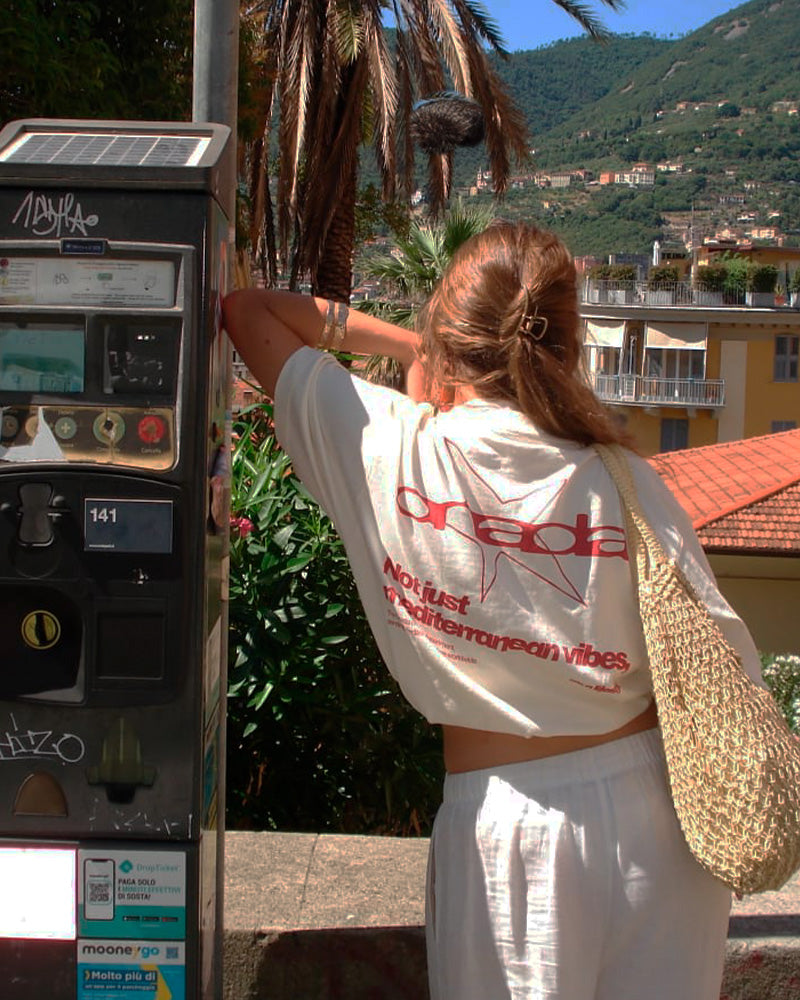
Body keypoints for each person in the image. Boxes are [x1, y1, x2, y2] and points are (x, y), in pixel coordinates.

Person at [222, 221, 764, 1000]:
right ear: (570, 347)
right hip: (661, 821)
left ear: (450, 336)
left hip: (513, 825)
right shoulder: (627, 480)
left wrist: (416, 349)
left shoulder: (388, 443)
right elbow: (725, 658)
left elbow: (252, 314)